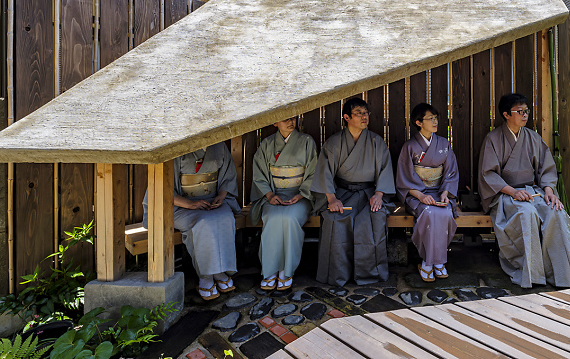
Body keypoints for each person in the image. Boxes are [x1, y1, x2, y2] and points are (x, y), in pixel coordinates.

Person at [478, 93, 570, 288]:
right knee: (526, 213)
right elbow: (489, 174)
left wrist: (549, 191)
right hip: (505, 194)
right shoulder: (493, 139)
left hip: (532, 191)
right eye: (520, 111)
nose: (525, 115)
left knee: (556, 212)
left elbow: (546, 169)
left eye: (526, 111)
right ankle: (532, 273)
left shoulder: (533, 137)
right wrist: (512, 192)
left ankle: (560, 274)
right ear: (506, 114)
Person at [311, 97, 395, 286]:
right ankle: (338, 274)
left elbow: (384, 169)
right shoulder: (334, 143)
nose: (364, 117)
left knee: (373, 219)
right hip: (342, 193)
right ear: (347, 117)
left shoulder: (376, 142)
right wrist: (331, 199)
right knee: (333, 220)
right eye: (359, 113)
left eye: (366, 113)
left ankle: (370, 274)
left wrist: (379, 194)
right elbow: (325, 172)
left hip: (369, 194)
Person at [142, 142, 240, 301]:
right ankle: (206, 275)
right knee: (203, 223)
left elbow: (227, 178)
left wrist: (221, 196)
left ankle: (220, 270)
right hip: (179, 206)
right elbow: (162, 187)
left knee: (225, 218)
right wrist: (189, 204)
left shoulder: (219, 146)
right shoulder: (176, 148)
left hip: (212, 201)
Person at [249, 116, 318, 291]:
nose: (290, 122)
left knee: (288, 218)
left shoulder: (306, 141)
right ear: (274, 122)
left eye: (293, 118)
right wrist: (270, 195)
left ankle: (286, 270)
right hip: (274, 195)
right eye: (285, 119)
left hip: (300, 196)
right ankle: (270, 270)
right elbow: (259, 174)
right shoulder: (267, 144)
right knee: (272, 218)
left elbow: (313, 171)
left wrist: (302, 195)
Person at [396, 103, 459, 282]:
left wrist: (446, 192)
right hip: (417, 195)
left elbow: (451, 173)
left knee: (445, 213)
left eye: (435, 118)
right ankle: (429, 262)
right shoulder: (409, 147)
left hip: (439, 192)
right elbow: (404, 176)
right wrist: (421, 196)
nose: (434, 121)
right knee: (430, 213)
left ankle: (434, 262)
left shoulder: (444, 144)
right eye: (430, 118)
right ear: (418, 122)